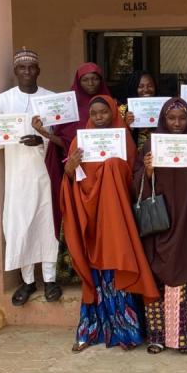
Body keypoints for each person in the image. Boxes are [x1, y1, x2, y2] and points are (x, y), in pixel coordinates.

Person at [61, 95, 158, 351]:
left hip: (115, 218)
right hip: (90, 218)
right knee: (95, 277)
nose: (99, 117)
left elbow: (134, 178)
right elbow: (72, 179)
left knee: (118, 271)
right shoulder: (79, 142)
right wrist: (70, 170)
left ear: (113, 112)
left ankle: (126, 333)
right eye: (94, 113)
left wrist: (113, 168)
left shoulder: (123, 138)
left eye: (104, 112)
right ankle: (90, 331)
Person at [0, 48, 61, 306]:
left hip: (45, 171)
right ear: (15, 72)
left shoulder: (51, 98)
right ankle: (28, 281)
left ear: (38, 70)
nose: (27, 72)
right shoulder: (3, 100)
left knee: (47, 223)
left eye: (31, 67)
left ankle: (50, 279)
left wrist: (41, 140)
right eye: (22, 68)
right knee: (20, 225)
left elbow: (61, 136)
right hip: (17, 175)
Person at [134, 97, 187, 354]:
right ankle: (157, 337)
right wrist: (147, 172)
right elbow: (135, 182)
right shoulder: (150, 145)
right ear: (163, 119)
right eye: (171, 118)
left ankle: (186, 337)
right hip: (160, 223)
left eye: (182, 118)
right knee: (157, 275)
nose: (177, 123)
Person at [39, 63, 111, 245]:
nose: (91, 83)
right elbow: (63, 140)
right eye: (85, 80)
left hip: (105, 171)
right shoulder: (69, 107)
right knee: (79, 216)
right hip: (76, 170)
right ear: (78, 82)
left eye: (95, 79)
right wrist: (46, 134)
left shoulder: (111, 104)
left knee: (105, 217)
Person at [119, 70, 157, 151]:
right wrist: (127, 126)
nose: (146, 90)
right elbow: (117, 141)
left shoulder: (164, 107)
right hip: (133, 155)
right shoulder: (122, 110)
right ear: (134, 87)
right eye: (140, 86)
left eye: (150, 86)